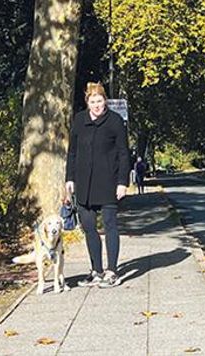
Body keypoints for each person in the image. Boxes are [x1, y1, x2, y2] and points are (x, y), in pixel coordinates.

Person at [65, 82, 130, 288]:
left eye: (100, 101)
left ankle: (112, 271)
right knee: (89, 228)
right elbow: (72, 152)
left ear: (105, 101)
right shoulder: (79, 120)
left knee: (110, 226)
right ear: (87, 102)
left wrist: (122, 182)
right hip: (84, 183)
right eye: (93, 101)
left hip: (108, 182)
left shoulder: (115, 121)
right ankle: (96, 270)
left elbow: (123, 153)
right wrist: (70, 178)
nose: (96, 105)